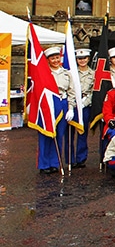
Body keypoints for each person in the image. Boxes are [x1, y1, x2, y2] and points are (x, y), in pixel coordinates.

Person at [36, 46, 70, 174]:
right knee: (45, 135)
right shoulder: (44, 73)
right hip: (47, 105)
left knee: (59, 134)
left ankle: (55, 162)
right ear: (48, 60)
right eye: (52, 58)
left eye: (57, 58)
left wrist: (70, 108)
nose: (55, 60)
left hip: (62, 104)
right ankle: (44, 164)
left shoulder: (67, 73)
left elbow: (71, 92)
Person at [70, 47, 95, 167]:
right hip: (72, 104)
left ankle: (81, 158)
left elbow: (93, 91)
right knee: (69, 133)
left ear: (88, 59)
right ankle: (70, 158)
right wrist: (73, 102)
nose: (82, 60)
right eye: (79, 58)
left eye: (84, 58)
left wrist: (85, 102)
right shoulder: (71, 73)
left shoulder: (93, 74)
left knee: (82, 132)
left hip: (85, 105)